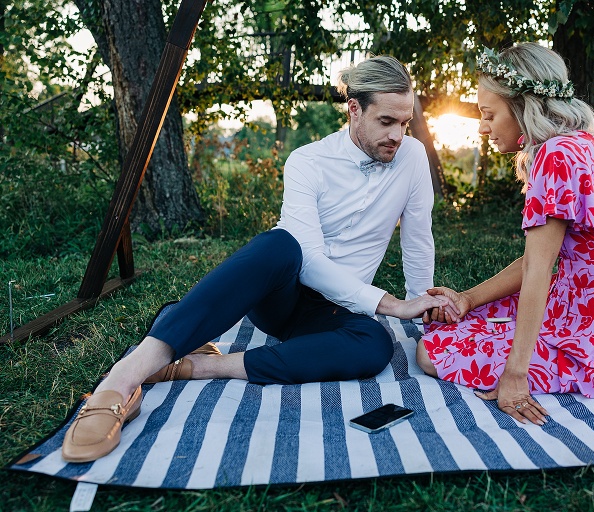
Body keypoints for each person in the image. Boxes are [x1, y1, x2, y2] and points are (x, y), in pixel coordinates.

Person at [62, 55, 457, 463]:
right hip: (282, 301)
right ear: (355, 109)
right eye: (386, 122)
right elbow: (306, 259)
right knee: (281, 244)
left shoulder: (410, 157)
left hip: (337, 313)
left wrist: (421, 304)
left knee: (376, 344)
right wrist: (390, 304)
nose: (398, 134)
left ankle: (199, 367)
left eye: (405, 123)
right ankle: (121, 381)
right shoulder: (307, 162)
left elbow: (417, 236)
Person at [416, 43, 594, 426]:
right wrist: (468, 298)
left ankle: (540, 359)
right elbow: (534, 262)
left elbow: (539, 271)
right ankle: (490, 321)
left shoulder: (555, 157)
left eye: (488, 114)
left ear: (523, 106)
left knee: (431, 352)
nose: (482, 126)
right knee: (452, 317)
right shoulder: (578, 144)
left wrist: (516, 374)